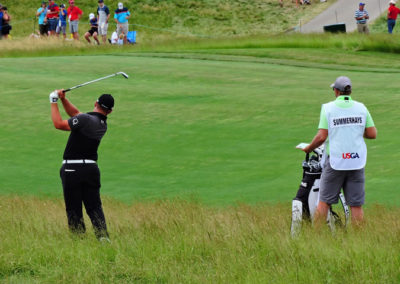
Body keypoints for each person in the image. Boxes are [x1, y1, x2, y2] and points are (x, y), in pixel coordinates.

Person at [301, 76, 377, 228]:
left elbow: (322, 136)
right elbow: (372, 134)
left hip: (336, 162)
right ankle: (359, 241)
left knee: (324, 201)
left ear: (336, 91)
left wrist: (308, 148)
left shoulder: (328, 108)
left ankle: (316, 238)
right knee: (356, 205)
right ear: (349, 91)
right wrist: (355, 129)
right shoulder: (361, 107)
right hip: (356, 161)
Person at [49, 89, 114, 241]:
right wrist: (64, 100)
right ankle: (103, 238)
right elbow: (76, 114)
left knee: (73, 208)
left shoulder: (85, 119)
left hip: (72, 168)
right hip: (91, 169)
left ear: (95, 103)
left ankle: (79, 241)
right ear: (110, 111)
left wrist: (53, 101)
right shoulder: (101, 124)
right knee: (94, 206)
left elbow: (59, 124)